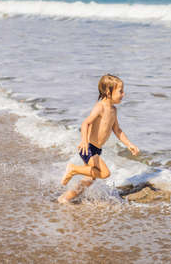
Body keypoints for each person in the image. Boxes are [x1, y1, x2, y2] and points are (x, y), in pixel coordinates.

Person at [58, 74, 139, 203]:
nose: (123, 94)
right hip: (88, 147)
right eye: (120, 91)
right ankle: (73, 169)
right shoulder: (100, 107)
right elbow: (85, 123)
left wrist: (129, 145)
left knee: (89, 180)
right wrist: (84, 141)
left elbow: (117, 130)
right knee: (105, 173)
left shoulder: (113, 110)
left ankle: (65, 198)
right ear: (108, 92)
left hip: (97, 149)